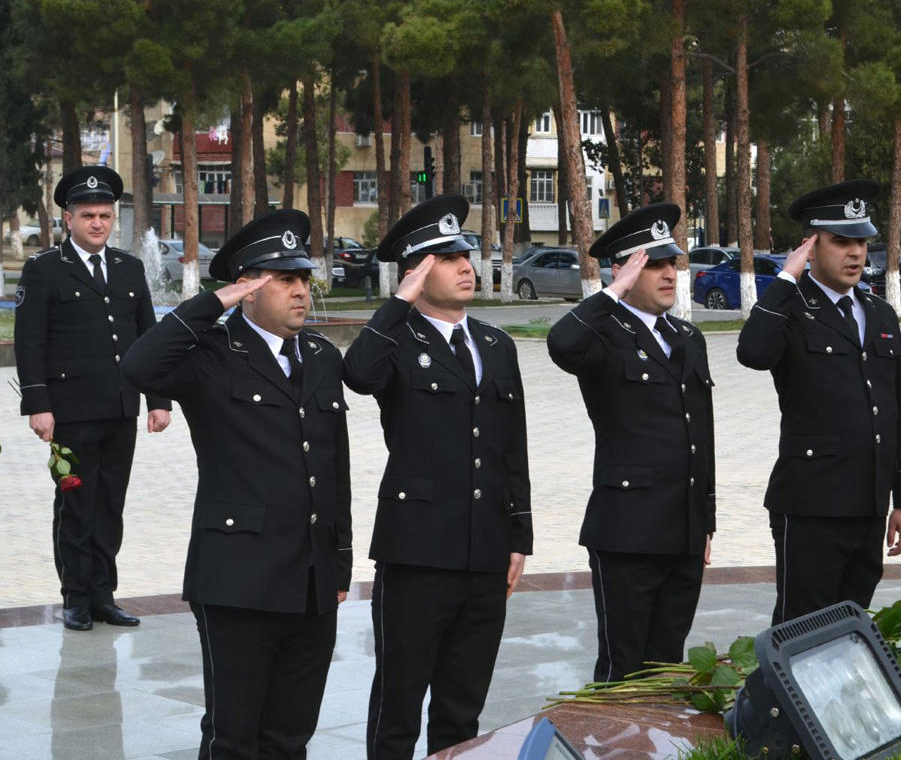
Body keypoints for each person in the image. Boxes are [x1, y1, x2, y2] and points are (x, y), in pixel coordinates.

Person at [121, 210, 352, 759]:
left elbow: (335, 467)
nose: (301, 292)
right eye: (285, 280)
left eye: (303, 279)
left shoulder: (320, 356)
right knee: (234, 736)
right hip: (237, 577)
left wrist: (339, 562)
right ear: (247, 289)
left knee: (290, 735)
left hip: (313, 577)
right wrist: (212, 303)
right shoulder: (212, 355)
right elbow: (137, 366)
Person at [344, 195, 532, 760]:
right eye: (446, 259)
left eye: (465, 254)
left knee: (462, 705)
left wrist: (518, 536)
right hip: (418, 550)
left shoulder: (495, 345)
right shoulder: (398, 339)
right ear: (417, 272)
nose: (465, 266)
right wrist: (398, 302)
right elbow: (357, 374)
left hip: (484, 549)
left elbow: (512, 446)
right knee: (399, 706)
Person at [736, 179, 901, 623]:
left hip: (869, 505)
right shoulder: (792, 307)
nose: (856, 253)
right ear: (811, 246)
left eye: (861, 241)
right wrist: (785, 279)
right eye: (841, 242)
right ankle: (780, 697)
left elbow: (900, 407)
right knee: (801, 628)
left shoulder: (879, 313)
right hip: (811, 506)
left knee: (849, 627)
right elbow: (753, 353)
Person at [547, 203, 716, 683]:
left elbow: (701, 433)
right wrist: (612, 291)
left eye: (672, 263)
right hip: (628, 533)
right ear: (623, 268)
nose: (668, 274)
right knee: (623, 671)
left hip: (684, 530)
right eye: (653, 263)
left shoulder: (687, 337)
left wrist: (708, 517)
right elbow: (561, 344)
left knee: (667, 667)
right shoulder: (602, 335)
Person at [14, 165, 172, 631]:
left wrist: (158, 399)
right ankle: (76, 598)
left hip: (121, 410)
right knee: (76, 505)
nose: (98, 223)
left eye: (105, 215)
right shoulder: (43, 270)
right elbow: (29, 344)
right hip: (70, 414)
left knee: (110, 505)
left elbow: (150, 339)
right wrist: (38, 406)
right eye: (88, 215)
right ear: (69, 218)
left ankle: (104, 594)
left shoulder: (129, 266)